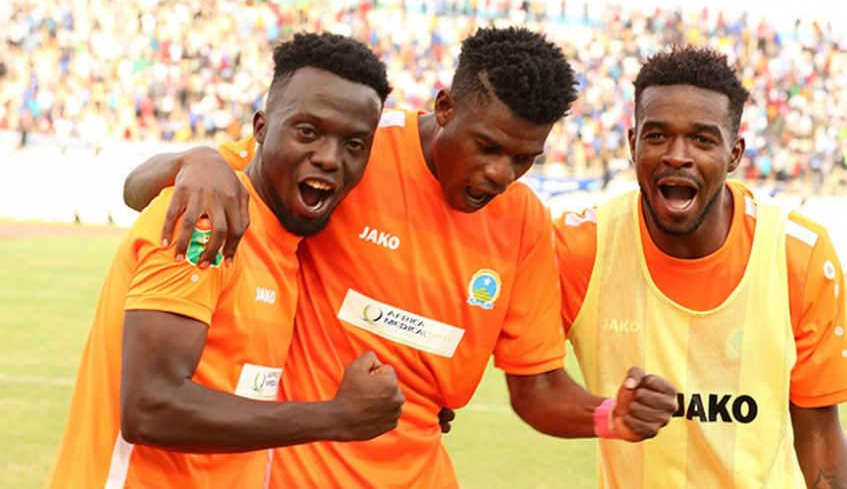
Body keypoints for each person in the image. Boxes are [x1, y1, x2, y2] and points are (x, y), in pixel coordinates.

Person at [124, 27, 678, 488]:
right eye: (487, 146)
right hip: (295, 470)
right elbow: (163, 185)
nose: (502, 174)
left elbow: (537, 388)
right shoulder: (355, 148)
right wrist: (196, 159)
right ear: (445, 106)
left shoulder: (524, 222)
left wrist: (611, 416)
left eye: (523, 158)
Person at [43, 32, 406, 489]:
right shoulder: (205, 218)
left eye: (354, 143)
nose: (330, 158)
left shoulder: (287, 241)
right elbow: (150, 408)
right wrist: (336, 418)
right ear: (260, 129)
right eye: (308, 131)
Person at [554, 46, 847, 488]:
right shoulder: (580, 247)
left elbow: (820, 429)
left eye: (702, 139)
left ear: (734, 154)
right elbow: (529, 383)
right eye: (657, 136)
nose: (677, 155)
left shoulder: (799, 256)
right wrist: (607, 414)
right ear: (632, 143)